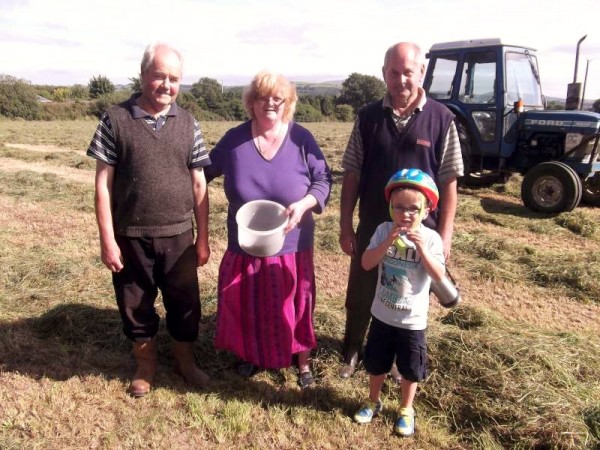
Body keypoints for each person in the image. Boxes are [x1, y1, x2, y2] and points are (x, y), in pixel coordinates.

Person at [87, 42, 212, 397]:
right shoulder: (115, 119)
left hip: (179, 236)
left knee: (185, 302)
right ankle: (146, 364)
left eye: (174, 79)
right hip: (131, 235)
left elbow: (199, 184)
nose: (167, 85)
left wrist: (202, 237)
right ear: (143, 76)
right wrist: (107, 239)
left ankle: (185, 362)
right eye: (160, 76)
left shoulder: (189, 123)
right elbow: (103, 185)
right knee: (135, 302)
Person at [338, 42, 463, 379]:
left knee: (408, 294)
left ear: (421, 72)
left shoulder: (441, 119)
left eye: (408, 71)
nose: (401, 79)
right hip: (374, 224)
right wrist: (346, 225)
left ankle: (395, 359)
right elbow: (351, 174)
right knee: (362, 288)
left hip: (419, 232)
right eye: (394, 72)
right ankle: (351, 349)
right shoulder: (367, 118)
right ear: (384, 74)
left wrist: (445, 238)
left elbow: (449, 183)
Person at [204, 70, 331, 388]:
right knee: (249, 299)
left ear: (288, 103)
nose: (270, 103)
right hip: (246, 240)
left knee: (296, 302)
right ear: (251, 102)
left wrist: (303, 205)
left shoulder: (301, 138)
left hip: (292, 241)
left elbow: (323, 180)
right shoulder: (235, 140)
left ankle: (302, 362)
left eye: (278, 98)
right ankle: (251, 354)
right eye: (262, 97)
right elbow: (201, 172)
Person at [352, 168, 445, 437]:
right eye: (399, 207)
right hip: (382, 314)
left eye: (414, 209)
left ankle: (406, 409)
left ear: (426, 211)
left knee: (410, 368)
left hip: (412, 320)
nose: (406, 214)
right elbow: (367, 263)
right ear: (390, 208)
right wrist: (388, 242)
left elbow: (438, 275)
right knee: (376, 362)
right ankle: (373, 400)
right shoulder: (383, 231)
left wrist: (422, 249)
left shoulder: (431, 238)